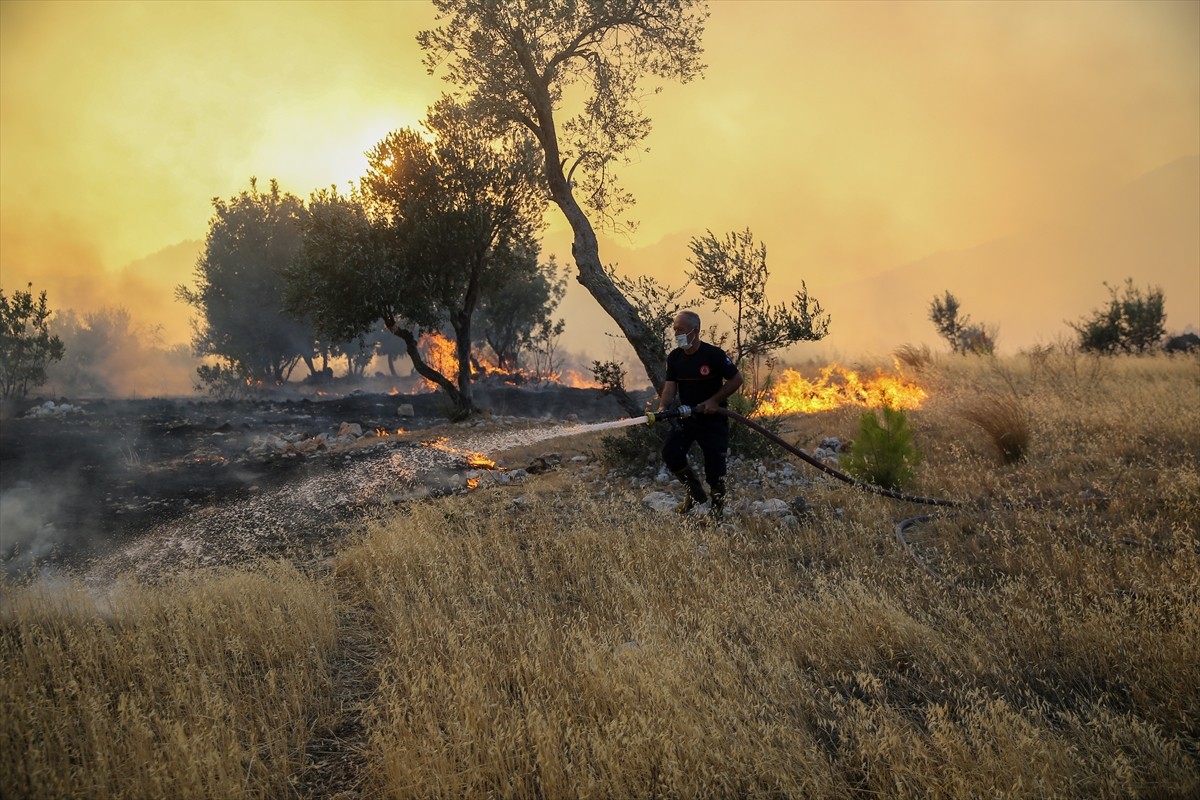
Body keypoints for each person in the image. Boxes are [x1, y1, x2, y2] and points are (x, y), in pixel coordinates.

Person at [658, 310, 744, 518]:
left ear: (695, 331)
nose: (677, 334)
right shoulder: (675, 357)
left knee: (715, 469)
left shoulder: (713, 355)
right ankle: (694, 493)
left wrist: (714, 401)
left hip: (712, 419)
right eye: (675, 329)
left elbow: (736, 380)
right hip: (686, 417)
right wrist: (662, 408)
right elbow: (670, 387)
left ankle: (717, 511)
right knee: (671, 453)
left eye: (681, 330)